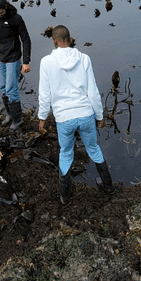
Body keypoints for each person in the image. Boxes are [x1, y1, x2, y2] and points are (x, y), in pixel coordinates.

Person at [37, 25, 114, 204]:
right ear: (70, 39)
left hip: (64, 118)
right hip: (85, 114)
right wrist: (99, 116)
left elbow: (45, 95)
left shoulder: (46, 62)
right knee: (93, 148)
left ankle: (65, 195)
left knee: (65, 153)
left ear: (55, 41)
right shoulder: (84, 59)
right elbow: (93, 92)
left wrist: (42, 118)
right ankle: (108, 186)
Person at [0, 0, 32, 130]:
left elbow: (26, 40)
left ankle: (17, 119)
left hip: (13, 57)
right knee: (3, 87)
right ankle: (10, 114)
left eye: (0, 13)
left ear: (5, 8)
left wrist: (26, 61)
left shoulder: (16, 18)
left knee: (11, 88)